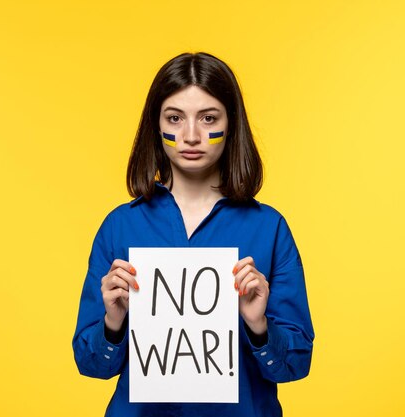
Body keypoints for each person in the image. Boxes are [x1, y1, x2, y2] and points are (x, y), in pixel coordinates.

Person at [72, 52, 314, 417]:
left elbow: (296, 365)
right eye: (174, 118)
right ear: (156, 126)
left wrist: (259, 326)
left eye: (208, 118)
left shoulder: (269, 228)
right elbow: (92, 365)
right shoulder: (120, 227)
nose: (190, 136)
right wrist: (112, 321)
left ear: (231, 124)